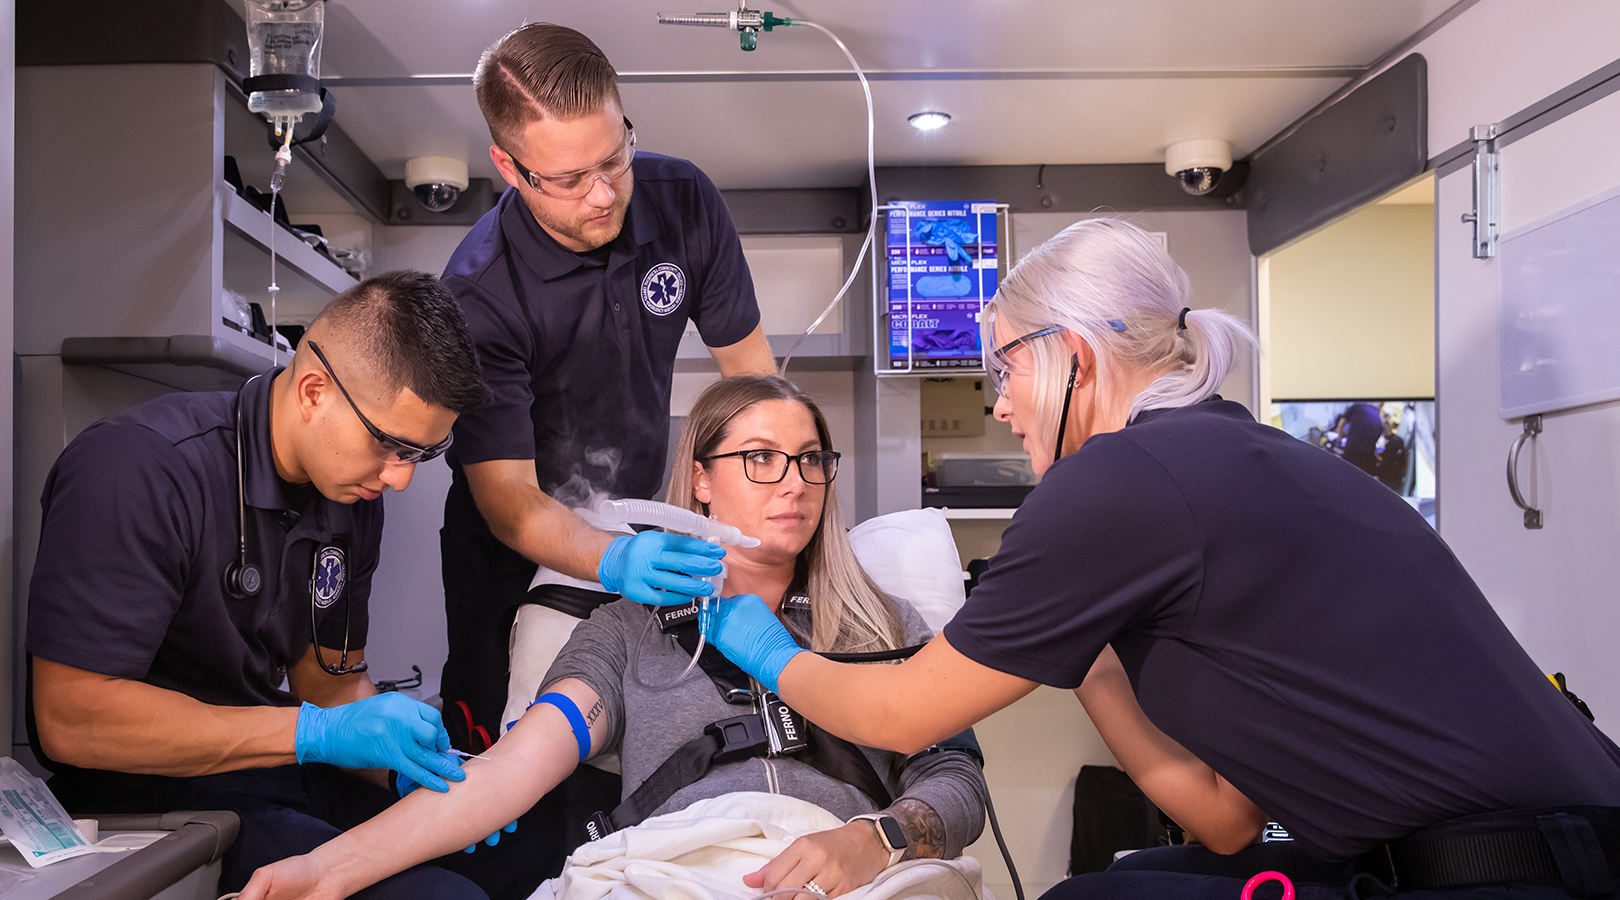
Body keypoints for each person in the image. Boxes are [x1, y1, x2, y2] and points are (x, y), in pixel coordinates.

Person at [705, 219, 1620, 899]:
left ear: (1070, 356)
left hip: (1513, 871)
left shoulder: (1119, 481)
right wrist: (1085, 654)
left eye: (1003, 372)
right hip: (1565, 838)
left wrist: (759, 644)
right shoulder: (1237, 452)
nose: (1000, 406)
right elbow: (1225, 819)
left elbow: (902, 716)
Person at [235, 376, 988, 900]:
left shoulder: (885, 626)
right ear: (700, 480)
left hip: (858, 872)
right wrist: (327, 871)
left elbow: (957, 780)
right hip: (683, 870)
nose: (794, 482)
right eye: (760, 458)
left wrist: (877, 839)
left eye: (811, 459)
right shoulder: (626, 633)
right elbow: (509, 773)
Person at [26, 272, 501, 899]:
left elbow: (327, 685)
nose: (400, 479)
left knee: (512, 853)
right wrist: (314, 734)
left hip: (276, 770)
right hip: (151, 796)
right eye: (389, 445)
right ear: (313, 391)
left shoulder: (351, 498)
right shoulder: (138, 467)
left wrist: (407, 767)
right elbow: (71, 720)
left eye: (421, 454)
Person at [437, 21, 776, 754]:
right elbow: (510, 501)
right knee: (505, 748)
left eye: (614, 157)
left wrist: (772, 491)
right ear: (509, 166)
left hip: (638, 515)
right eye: (568, 179)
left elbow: (754, 383)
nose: (603, 194)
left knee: (649, 731)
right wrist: (612, 561)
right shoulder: (477, 294)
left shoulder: (682, 200)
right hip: (508, 544)